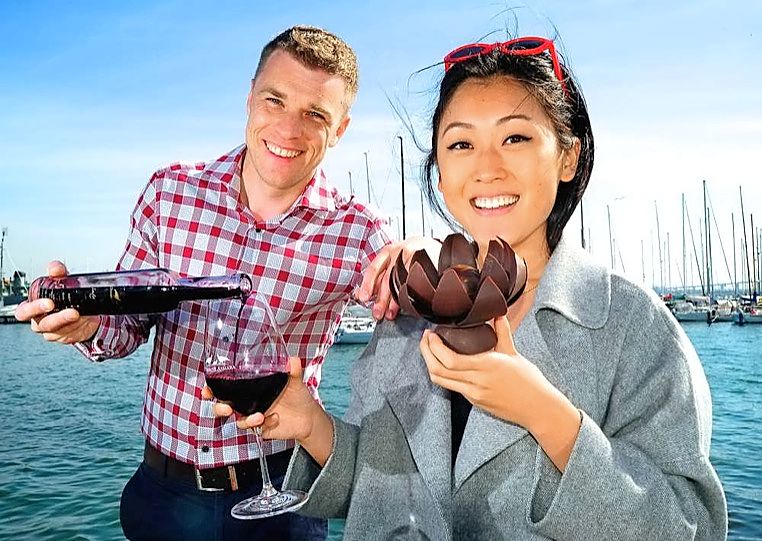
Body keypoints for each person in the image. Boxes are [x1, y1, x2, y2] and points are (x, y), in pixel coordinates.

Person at [217, 35, 728, 539]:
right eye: (461, 144)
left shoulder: (632, 325)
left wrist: (545, 415)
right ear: (439, 174)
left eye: (516, 138)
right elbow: (372, 486)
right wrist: (310, 424)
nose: (486, 168)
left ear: (568, 158)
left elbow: (692, 528)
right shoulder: (407, 314)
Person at [16, 25, 411, 541]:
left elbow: (418, 318)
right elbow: (127, 326)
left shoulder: (360, 231)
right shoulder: (170, 193)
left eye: (315, 114)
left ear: (339, 130)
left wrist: (419, 252)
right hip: (163, 492)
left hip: (282, 499)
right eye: (275, 100)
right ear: (250, 99)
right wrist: (88, 325)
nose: (289, 130)